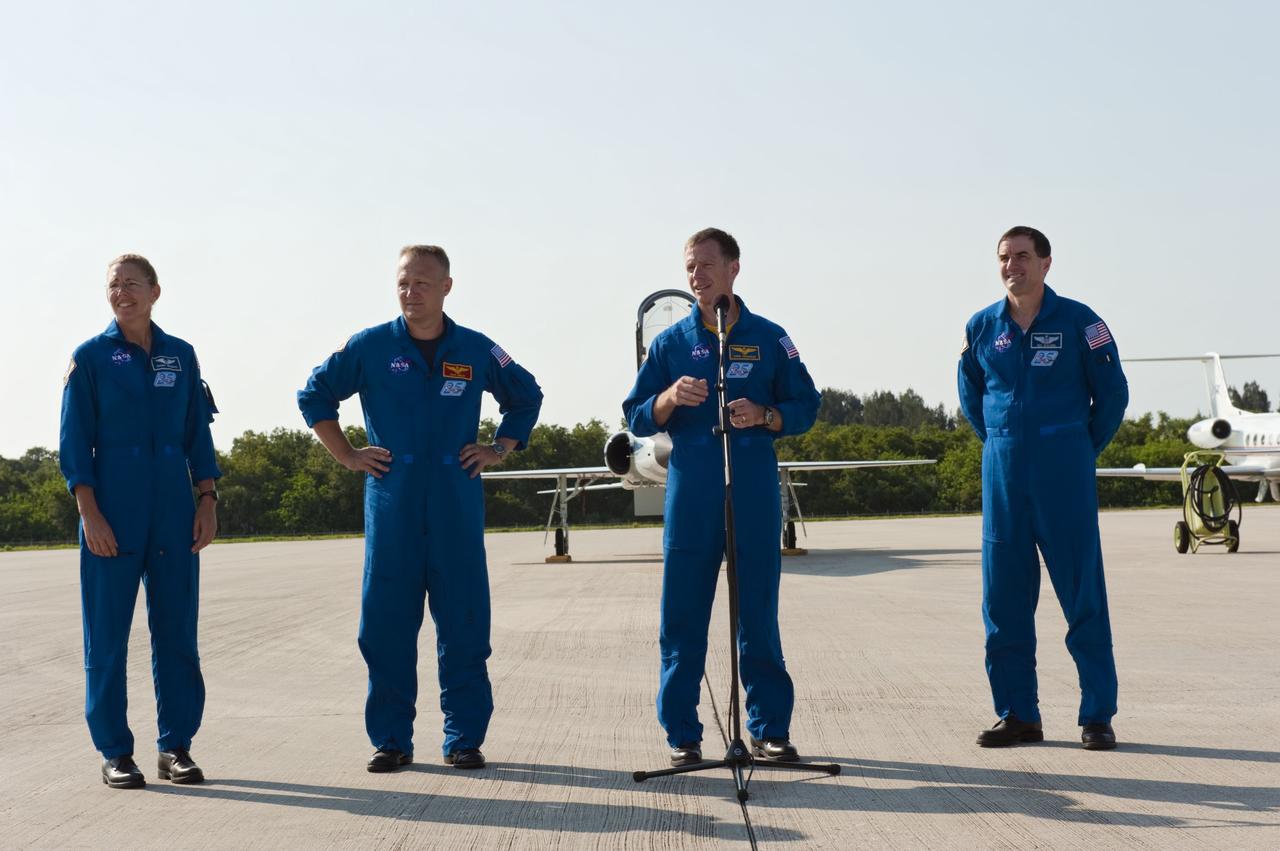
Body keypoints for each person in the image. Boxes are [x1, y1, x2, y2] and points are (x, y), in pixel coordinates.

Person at [297, 244, 542, 772]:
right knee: (385, 626)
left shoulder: (478, 349)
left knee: (464, 624)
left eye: (423, 283)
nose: (411, 292)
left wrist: (499, 447)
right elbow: (314, 395)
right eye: (404, 283)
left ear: (447, 287)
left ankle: (463, 740)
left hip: (455, 502)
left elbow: (526, 395)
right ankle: (391, 740)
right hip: (392, 503)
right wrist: (346, 454)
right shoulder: (368, 347)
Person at [622, 228, 821, 765]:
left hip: (752, 490)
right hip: (692, 497)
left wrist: (767, 415)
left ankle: (769, 729)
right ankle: (682, 735)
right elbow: (635, 413)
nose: (697, 276)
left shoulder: (772, 337)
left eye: (706, 265)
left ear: (734, 268)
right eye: (690, 268)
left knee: (757, 615)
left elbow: (807, 403)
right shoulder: (669, 344)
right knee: (682, 618)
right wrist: (666, 398)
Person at [958, 226, 1128, 750]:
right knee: (1003, 601)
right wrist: (1004, 444)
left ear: (1047, 263)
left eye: (1024, 257)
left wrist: (1077, 448)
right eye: (1005, 258)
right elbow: (971, 396)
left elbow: (1113, 397)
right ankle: (1017, 713)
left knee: (1082, 596)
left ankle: (1096, 714)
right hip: (1004, 475)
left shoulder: (1082, 322)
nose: (1013, 266)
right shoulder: (982, 326)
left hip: (1064, 475)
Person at [59, 254, 221, 789]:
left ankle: (175, 747)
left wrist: (207, 499)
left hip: (174, 507)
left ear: (155, 291)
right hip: (113, 508)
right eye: (114, 285)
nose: (122, 292)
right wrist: (90, 514)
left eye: (132, 284)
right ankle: (114, 751)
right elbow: (74, 443)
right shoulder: (90, 358)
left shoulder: (181, 355)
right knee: (106, 636)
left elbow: (198, 431)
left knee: (176, 632)